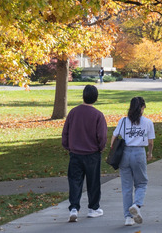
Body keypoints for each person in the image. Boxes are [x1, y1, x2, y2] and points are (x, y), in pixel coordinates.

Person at [62, 85, 108, 222]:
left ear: (83, 95)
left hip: (75, 153)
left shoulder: (73, 112)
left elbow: (66, 132)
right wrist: (101, 147)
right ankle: (93, 208)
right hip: (92, 153)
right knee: (93, 182)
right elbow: (102, 135)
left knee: (75, 181)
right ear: (96, 97)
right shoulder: (98, 115)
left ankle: (74, 208)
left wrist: (67, 146)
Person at [111, 97, 155, 226]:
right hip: (139, 153)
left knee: (126, 187)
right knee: (141, 183)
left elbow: (114, 137)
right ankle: (137, 204)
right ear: (142, 108)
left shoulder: (123, 121)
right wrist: (150, 152)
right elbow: (150, 142)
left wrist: (113, 150)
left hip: (124, 153)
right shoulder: (147, 122)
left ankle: (128, 218)